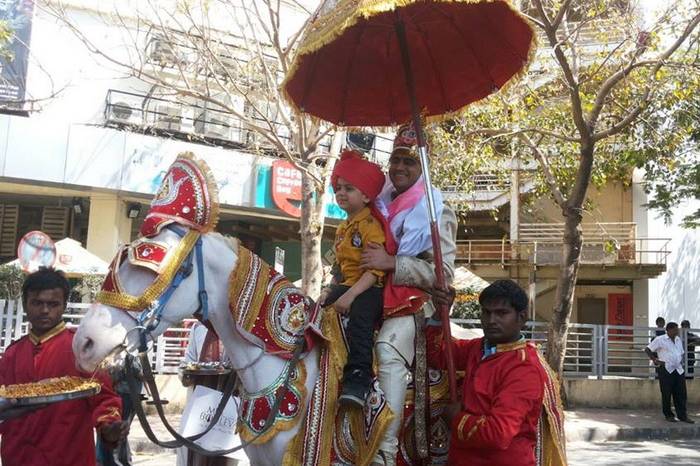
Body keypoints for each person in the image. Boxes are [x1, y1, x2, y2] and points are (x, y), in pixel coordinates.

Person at [359, 123, 457, 466]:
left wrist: (392, 263)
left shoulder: (436, 209)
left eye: (410, 162)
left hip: (413, 303)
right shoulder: (378, 204)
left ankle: (384, 452)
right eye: (396, 159)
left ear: (423, 167)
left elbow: (443, 274)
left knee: (386, 349)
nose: (399, 167)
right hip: (368, 295)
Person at [427, 280, 567, 466]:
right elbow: (436, 354)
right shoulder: (477, 348)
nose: (491, 320)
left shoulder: (524, 368)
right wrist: (440, 312)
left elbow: (498, 434)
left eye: (502, 313)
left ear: (522, 317)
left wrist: (457, 419)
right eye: (486, 312)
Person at [0, 267, 125, 466]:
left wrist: (108, 427)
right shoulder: (11, 354)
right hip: (17, 457)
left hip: (68, 458)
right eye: (37, 303)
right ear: (24, 304)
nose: (44, 310)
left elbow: (105, 398)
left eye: (53, 304)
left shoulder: (81, 349)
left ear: (64, 305)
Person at [321, 149, 391, 407]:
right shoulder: (342, 227)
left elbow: (374, 271)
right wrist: (328, 292)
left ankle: (358, 381)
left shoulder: (370, 226)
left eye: (349, 188)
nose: (341, 193)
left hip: (368, 289)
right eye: (338, 188)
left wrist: (350, 295)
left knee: (360, 322)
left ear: (366, 195)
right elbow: (338, 267)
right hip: (345, 287)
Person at [177, 322, 244, 466]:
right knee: (192, 451)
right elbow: (187, 362)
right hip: (199, 402)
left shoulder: (238, 329)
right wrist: (186, 374)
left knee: (223, 456)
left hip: (229, 401)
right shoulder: (198, 328)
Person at [645, 322, 694, 423]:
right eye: (676, 329)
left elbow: (680, 353)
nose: (677, 331)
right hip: (666, 369)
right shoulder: (660, 339)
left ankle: (682, 415)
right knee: (666, 393)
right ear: (669, 330)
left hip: (678, 369)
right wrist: (654, 359)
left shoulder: (678, 339)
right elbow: (648, 349)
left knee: (681, 393)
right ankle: (668, 415)